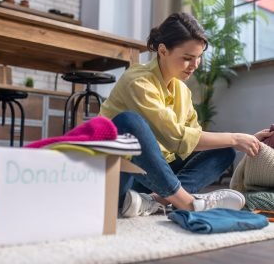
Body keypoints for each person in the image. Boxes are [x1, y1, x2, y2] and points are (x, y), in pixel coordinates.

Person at [99, 12, 272, 217]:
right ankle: (186, 202)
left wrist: (247, 140)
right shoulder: (137, 81)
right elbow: (176, 138)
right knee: (129, 122)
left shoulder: (182, 91)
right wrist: (235, 137)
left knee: (223, 151)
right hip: (124, 174)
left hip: (157, 179)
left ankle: (156, 200)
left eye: (199, 57)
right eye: (188, 58)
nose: (195, 64)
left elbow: (194, 140)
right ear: (163, 50)